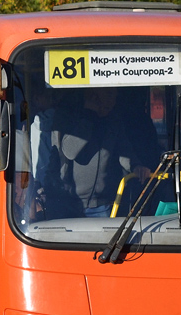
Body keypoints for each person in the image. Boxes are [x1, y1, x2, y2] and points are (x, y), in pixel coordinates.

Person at [47, 86, 152, 218]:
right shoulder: (69, 117)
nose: (112, 101)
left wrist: (136, 166)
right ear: (92, 95)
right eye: (108, 94)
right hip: (70, 202)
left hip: (101, 205)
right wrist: (89, 115)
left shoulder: (113, 121)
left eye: (114, 96)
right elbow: (70, 151)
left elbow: (124, 151)